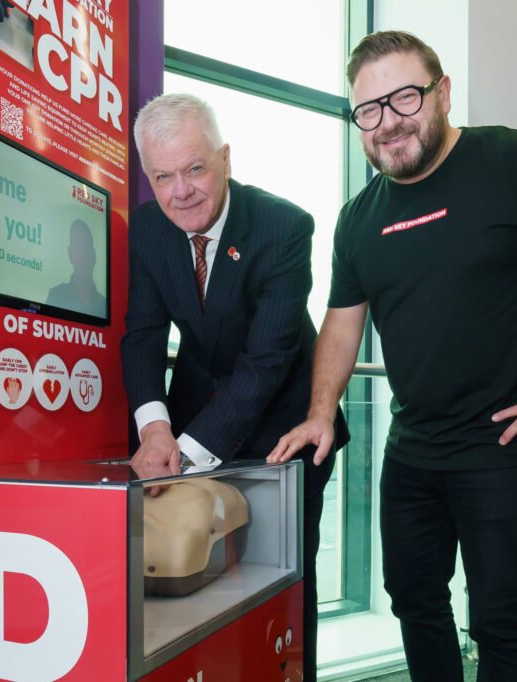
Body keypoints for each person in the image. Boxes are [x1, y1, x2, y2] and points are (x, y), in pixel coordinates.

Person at [268, 31, 517, 682]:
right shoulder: (359, 218)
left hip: (505, 441)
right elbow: (341, 325)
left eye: (404, 98)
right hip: (414, 445)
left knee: (501, 622)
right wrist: (319, 412)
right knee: (414, 602)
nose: (387, 122)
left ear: (442, 92)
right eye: (368, 109)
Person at [121, 93, 348, 682]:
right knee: (199, 582)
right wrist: (154, 429)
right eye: (163, 176)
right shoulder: (147, 228)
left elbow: (266, 361)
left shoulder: (283, 226)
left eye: (195, 169)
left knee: (280, 579)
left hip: (284, 425)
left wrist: (184, 456)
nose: (181, 192)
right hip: (193, 415)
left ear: (225, 159)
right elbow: (143, 336)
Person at [46, 218, 106, 318]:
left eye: (86, 246)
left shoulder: (103, 304)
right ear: (70, 254)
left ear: (94, 255)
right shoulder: (56, 296)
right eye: (77, 246)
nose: (82, 254)